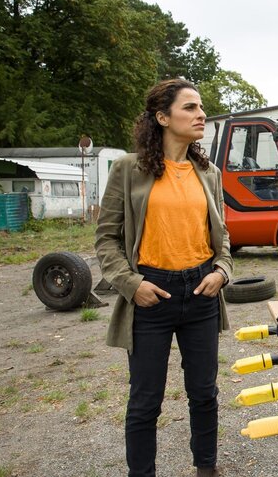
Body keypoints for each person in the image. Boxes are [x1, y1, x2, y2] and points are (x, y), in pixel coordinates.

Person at [96, 79, 232, 477]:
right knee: (145, 401)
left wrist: (222, 272)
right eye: (189, 107)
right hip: (150, 294)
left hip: (202, 291)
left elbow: (222, 239)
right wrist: (130, 283)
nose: (201, 114)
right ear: (162, 117)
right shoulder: (128, 169)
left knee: (204, 394)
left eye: (201, 107)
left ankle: (206, 468)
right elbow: (106, 238)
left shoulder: (209, 173)